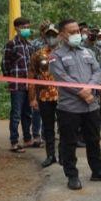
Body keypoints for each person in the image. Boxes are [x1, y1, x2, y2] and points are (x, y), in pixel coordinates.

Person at [50, 18, 101, 190]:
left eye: (77, 31)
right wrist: (82, 92)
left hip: (90, 106)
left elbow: (97, 71)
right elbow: (62, 78)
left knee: (94, 139)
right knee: (69, 142)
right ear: (62, 35)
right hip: (69, 107)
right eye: (72, 32)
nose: (76, 34)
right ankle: (72, 176)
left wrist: (89, 88)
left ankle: (98, 171)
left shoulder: (87, 52)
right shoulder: (56, 56)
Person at [28, 24, 60, 168]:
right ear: (44, 37)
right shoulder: (38, 54)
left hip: (63, 97)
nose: (51, 38)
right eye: (49, 35)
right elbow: (32, 76)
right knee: (48, 128)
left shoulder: (65, 53)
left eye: (54, 35)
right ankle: (50, 155)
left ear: (59, 36)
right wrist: (32, 98)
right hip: (45, 96)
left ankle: (64, 155)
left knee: (65, 127)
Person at [3, 17, 34, 153]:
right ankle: (14, 141)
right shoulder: (12, 44)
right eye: (23, 27)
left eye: (28, 27)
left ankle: (27, 139)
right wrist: (10, 80)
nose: (26, 30)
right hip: (17, 85)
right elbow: (5, 63)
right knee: (16, 113)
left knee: (27, 113)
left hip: (29, 85)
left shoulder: (30, 45)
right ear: (16, 28)